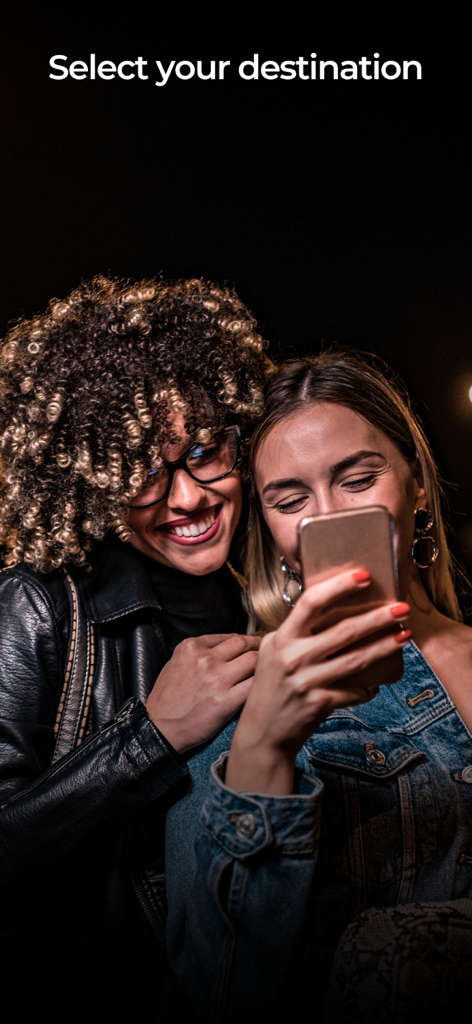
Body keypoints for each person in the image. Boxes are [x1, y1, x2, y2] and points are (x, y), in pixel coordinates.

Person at [164, 348, 472, 1023]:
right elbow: (218, 997)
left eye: (358, 479)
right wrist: (263, 751)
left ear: (416, 485)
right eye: (290, 498)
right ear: (271, 532)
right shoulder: (236, 697)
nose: (324, 517)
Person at [0, 274, 273, 1022]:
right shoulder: (40, 606)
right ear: (90, 482)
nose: (186, 497)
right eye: (143, 470)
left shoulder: (276, 599)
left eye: (203, 451)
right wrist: (147, 740)